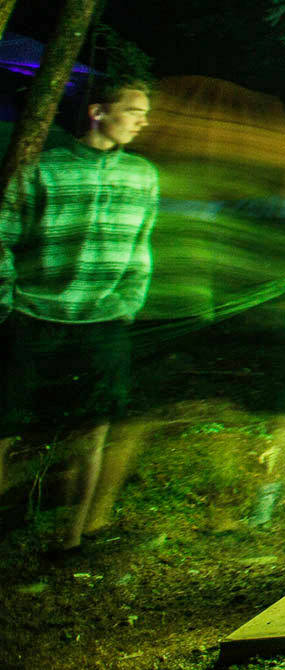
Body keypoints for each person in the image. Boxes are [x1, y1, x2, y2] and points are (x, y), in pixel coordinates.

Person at [0, 77, 158, 554]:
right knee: (6, 427)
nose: (142, 120)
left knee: (94, 430)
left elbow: (141, 248)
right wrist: (6, 303)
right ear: (97, 112)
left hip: (104, 323)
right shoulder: (43, 170)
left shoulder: (143, 175)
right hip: (35, 316)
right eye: (133, 110)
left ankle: (71, 540)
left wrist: (128, 303)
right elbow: (4, 234)